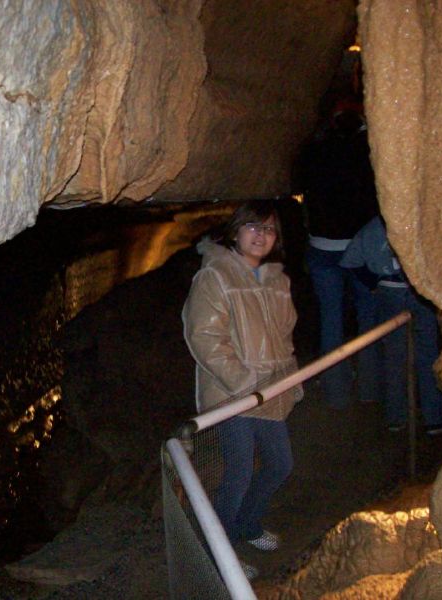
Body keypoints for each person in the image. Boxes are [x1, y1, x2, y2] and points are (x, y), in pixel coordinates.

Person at [182, 200, 302, 580]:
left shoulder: (277, 280)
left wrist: (291, 381)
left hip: (271, 391)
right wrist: (243, 383)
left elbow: (284, 339)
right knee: (238, 475)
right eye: (253, 227)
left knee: (280, 464)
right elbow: (205, 338)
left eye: (268, 229)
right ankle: (221, 554)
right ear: (235, 231)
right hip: (233, 396)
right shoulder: (215, 277)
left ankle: (247, 524)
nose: (261, 235)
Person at [293, 102, 380, 409]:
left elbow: (299, 185)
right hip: (359, 249)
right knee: (369, 318)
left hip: (322, 247)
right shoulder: (364, 151)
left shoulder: (314, 152)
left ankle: (336, 393)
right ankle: (370, 388)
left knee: (331, 319)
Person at [340, 216, 442, 435]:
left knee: (395, 357)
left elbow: (351, 260)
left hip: (390, 293)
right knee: (427, 355)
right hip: (417, 293)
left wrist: (374, 282)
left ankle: (396, 417)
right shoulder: (421, 220)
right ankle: (434, 417)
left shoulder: (373, 226)